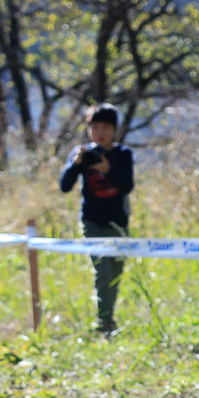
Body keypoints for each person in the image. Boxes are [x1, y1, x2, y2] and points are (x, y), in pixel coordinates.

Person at [60, 103, 135, 335]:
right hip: (92, 222)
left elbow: (126, 186)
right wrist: (76, 164)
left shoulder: (123, 154)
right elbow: (64, 186)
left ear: (115, 129)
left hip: (118, 222)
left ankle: (109, 320)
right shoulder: (81, 153)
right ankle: (103, 323)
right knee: (102, 272)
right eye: (94, 127)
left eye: (105, 127)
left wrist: (107, 170)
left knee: (114, 274)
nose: (99, 133)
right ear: (88, 128)